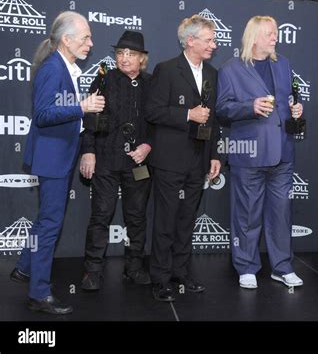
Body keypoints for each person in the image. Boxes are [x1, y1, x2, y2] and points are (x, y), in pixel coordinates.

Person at [10, 11, 104, 314]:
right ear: (66, 39)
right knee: (50, 224)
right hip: (52, 158)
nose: (91, 42)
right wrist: (82, 107)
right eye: (85, 37)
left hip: (58, 156)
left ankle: (25, 267)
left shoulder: (65, 65)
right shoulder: (53, 68)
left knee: (44, 221)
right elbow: (42, 115)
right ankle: (39, 293)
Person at [216, 15, 304, 289]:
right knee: (247, 214)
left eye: (275, 32)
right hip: (249, 154)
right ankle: (246, 266)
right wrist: (249, 107)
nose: (274, 37)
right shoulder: (231, 69)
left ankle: (282, 266)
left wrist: (297, 109)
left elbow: (289, 100)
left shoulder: (284, 64)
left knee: (281, 213)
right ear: (253, 37)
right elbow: (222, 110)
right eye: (269, 33)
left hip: (282, 153)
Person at [145, 15, 221, 302]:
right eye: (209, 40)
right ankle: (160, 279)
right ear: (191, 41)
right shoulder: (166, 70)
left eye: (214, 40)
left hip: (199, 159)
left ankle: (181, 272)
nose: (214, 44)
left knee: (187, 219)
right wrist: (187, 114)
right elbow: (152, 112)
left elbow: (214, 119)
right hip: (169, 159)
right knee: (165, 220)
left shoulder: (213, 73)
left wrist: (215, 154)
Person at [79, 31, 152, 291]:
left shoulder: (151, 84)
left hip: (139, 163)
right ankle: (92, 271)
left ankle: (133, 268)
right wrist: (88, 152)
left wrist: (147, 145)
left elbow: (158, 123)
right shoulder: (103, 80)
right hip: (107, 160)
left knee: (137, 217)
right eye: (120, 53)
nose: (124, 58)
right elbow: (89, 120)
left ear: (142, 58)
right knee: (101, 215)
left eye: (130, 54)